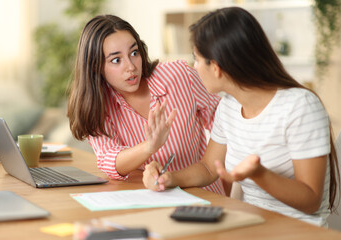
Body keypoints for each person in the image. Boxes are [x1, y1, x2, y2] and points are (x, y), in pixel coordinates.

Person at [142, 7, 340, 227]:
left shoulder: (300, 106)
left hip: (298, 230)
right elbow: (208, 168)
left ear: (216, 67)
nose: (194, 67)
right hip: (249, 224)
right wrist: (170, 178)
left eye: (197, 59)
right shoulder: (229, 106)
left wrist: (259, 174)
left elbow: (311, 199)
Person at [66, 15, 225, 195]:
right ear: (96, 67)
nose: (131, 66)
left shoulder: (180, 75)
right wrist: (149, 146)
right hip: (149, 199)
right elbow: (108, 160)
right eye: (116, 60)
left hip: (203, 196)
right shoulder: (96, 106)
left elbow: (225, 122)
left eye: (134, 53)